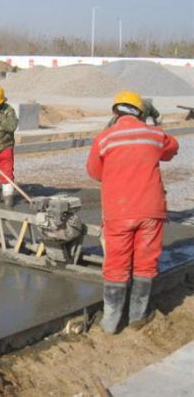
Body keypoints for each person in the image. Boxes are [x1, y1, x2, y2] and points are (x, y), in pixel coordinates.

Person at [86, 90, 179, 334]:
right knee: (145, 263)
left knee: (116, 264)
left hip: (118, 211)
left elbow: (94, 172)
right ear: (140, 112)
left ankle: (111, 322)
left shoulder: (105, 138)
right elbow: (172, 149)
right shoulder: (155, 135)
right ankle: (138, 316)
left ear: (115, 112)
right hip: (150, 210)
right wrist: (154, 126)